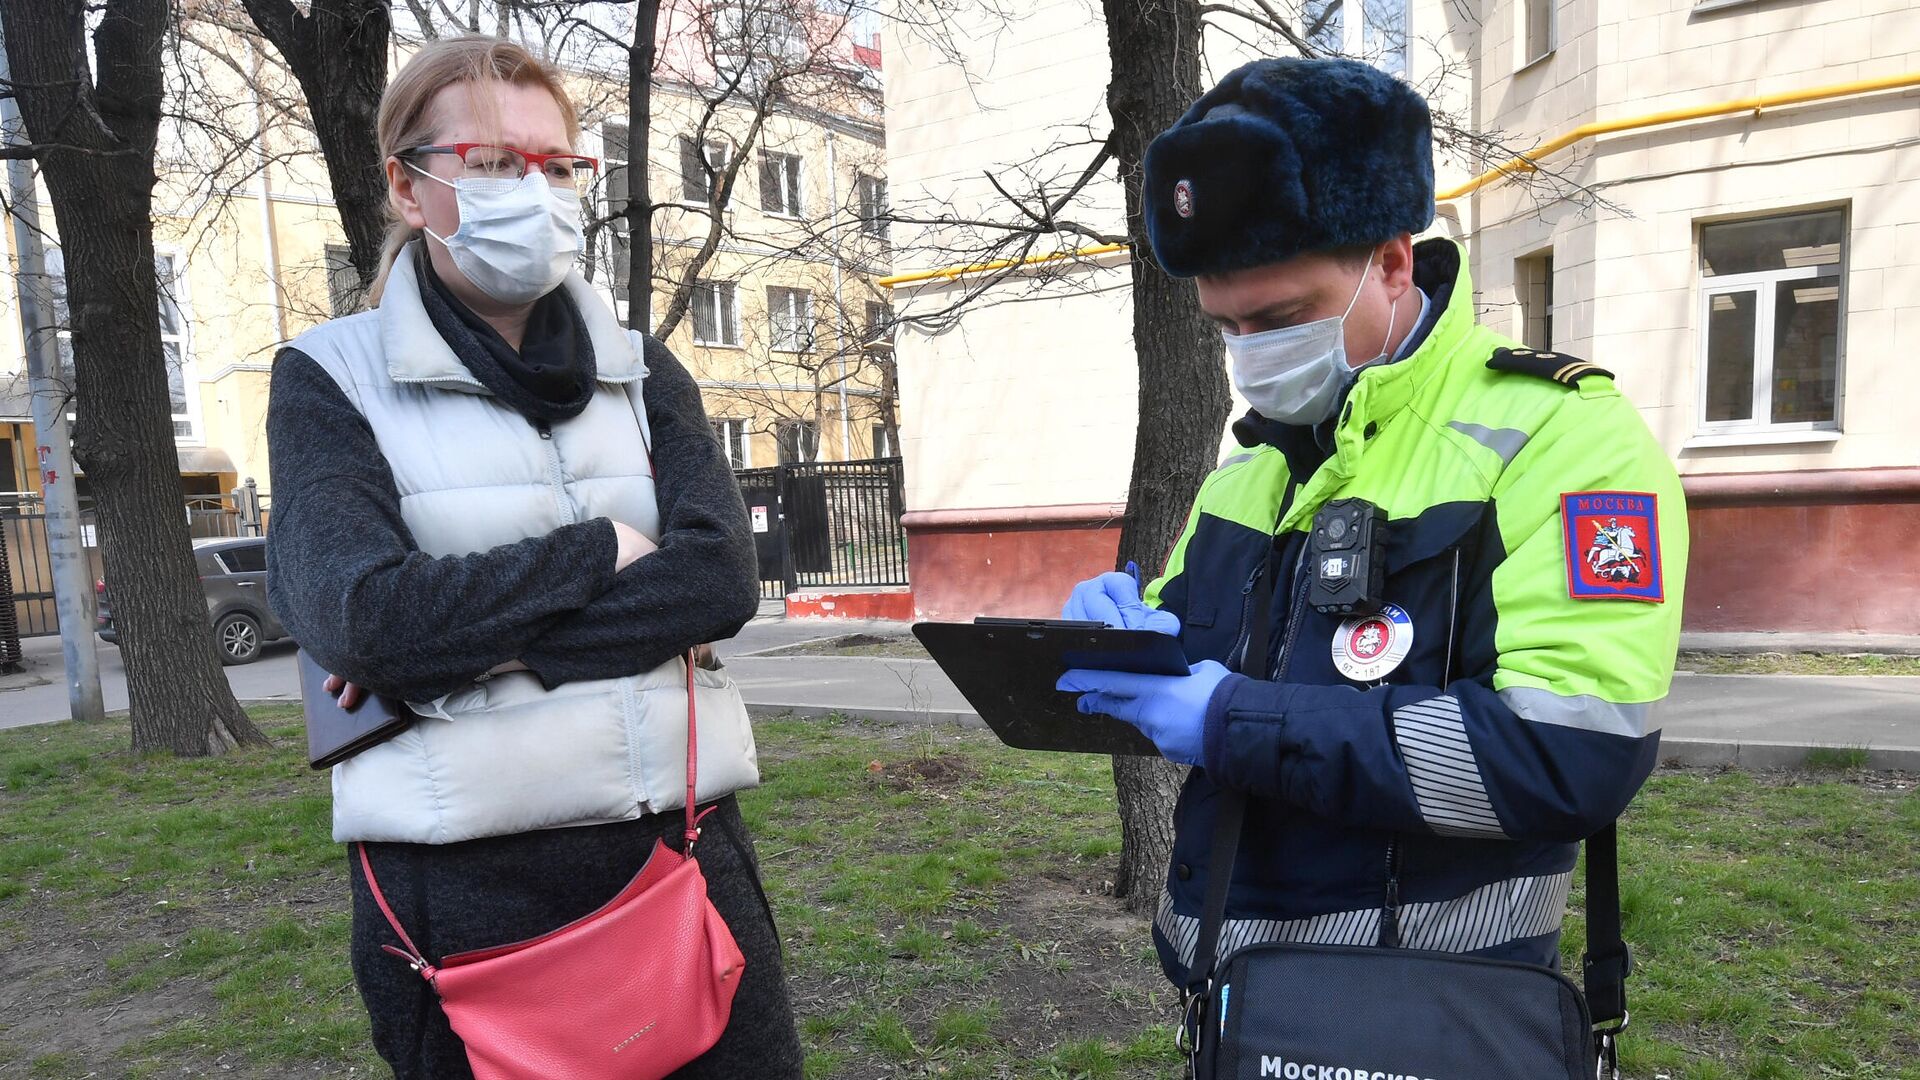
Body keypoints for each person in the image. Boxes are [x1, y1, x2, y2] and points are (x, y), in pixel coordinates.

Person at [1056, 58, 1687, 989]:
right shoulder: (1254, 469)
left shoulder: (1560, 435)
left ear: (1392, 262)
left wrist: (1233, 720)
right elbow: (1199, 669)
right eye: (1224, 328)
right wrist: (1129, 639)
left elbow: (1570, 757)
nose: (1252, 357)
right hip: (1236, 996)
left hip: (1433, 1007)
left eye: (1280, 317)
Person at [264, 36, 803, 1079]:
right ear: (410, 187)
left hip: (683, 856)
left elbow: (718, 580)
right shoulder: (329, 379)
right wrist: (601, 548)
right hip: (464, 901)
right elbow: (364, 620)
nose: (537, 191)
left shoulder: (644, 371)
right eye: (495, 161)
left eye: (557, 166)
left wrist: (484, 650)